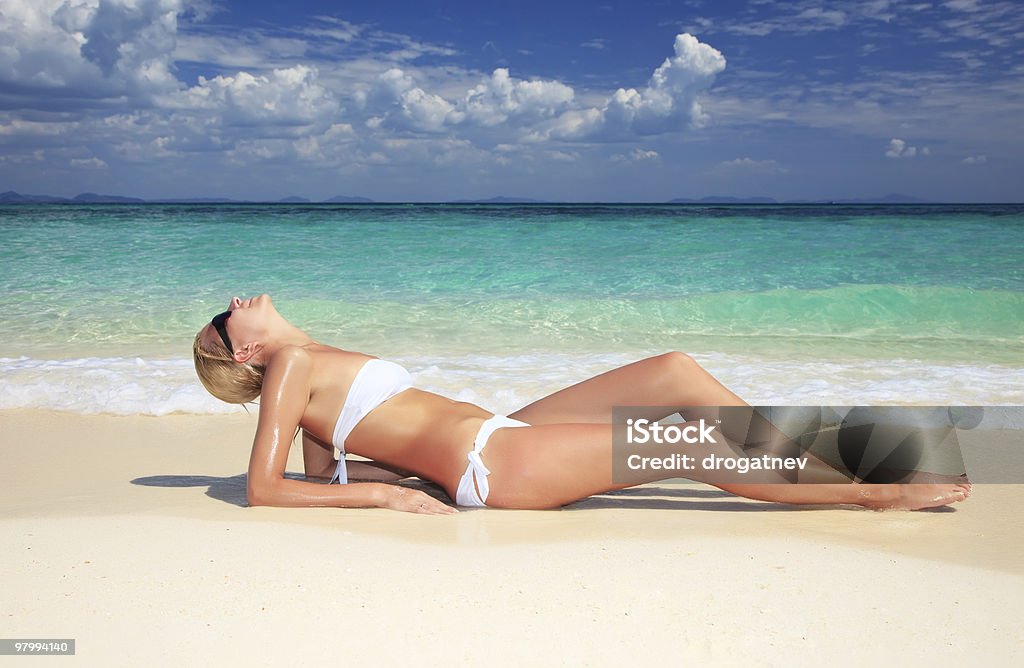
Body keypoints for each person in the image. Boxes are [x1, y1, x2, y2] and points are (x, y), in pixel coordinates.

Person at [192, 294, 971, 514]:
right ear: (245, 352)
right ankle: (871, 490)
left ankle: (807, 461)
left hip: (500, 431)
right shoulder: (291, 364)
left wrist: (394, 474)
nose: (238, 301)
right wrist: (384, 496)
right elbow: (269, 488)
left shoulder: (314, 356)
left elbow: (320, 470)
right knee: (688, 443)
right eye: (230, 317)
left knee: (674, 372)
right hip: (494, 464)